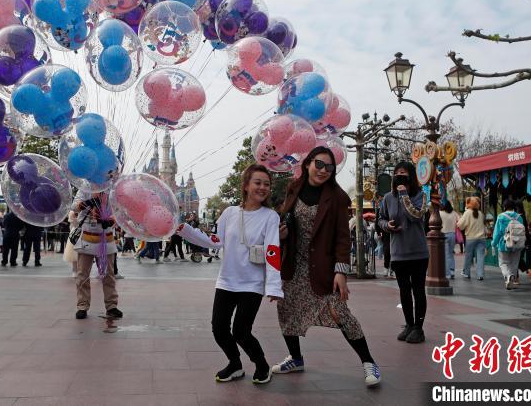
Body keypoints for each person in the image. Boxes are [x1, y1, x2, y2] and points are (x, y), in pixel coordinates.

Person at [272, 146, 380, 387]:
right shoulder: (294, 188)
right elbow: (286, 218)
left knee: (340, 313)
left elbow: (343, 237)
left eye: (328, 167)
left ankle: (368, 362)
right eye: (319, 164)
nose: (323, 170)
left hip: (324, 266)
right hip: (294, 264)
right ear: (308, 163)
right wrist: (283, 232)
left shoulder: (337, 197)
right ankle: (296, 359)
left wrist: (341, 271)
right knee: (286, 309)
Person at [177, 164, 282, 384]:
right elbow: (215, 242)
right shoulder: (230, 213)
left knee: (241, 332)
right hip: (226, 281)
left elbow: (272, 250)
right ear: (245, 186)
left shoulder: (270, 216)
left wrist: (274, 286)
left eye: (266, 184)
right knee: (219, 328)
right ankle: (235, 364)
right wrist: (185, 230)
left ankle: (261, 364)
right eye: (258, 182)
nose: (263, 187)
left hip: (252, 284)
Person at [378, 161, 428, 344]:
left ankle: (418, 328)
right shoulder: (387, 198)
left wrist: (404, 194)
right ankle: (408, 324)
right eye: (397, 173)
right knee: (404, 291)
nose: (400, 175)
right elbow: (381, 220)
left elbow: (415, 215)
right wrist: (387, 226)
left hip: (418, 253)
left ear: (412, 177)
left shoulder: (420, 195)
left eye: (404, 173)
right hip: (398, 253)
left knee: (418, 290)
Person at [71, 191, 122, 320]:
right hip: (87, 235)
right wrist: (87, 203)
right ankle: (82, 306)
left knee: (108, 274)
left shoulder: (112, 190)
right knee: (82, 274)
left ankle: (111, 306)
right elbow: (74, 206)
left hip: (106, 236)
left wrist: (112, 221)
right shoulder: (85, 188)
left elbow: (119, 210)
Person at [492, 199, 525, 290]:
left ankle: (508, 276)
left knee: (503, 263)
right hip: (517, 243)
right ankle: (512, 279)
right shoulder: (519, 217)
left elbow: (497, 232)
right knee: (514, 263)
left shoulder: (501, 217)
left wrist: (494, 243)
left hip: (504, 243)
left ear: (504, 207)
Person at [456, 197, 486, 280]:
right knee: (480, 256)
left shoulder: (467, 213)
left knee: (468, 256)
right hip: (482, 238)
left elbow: (460, 225)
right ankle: (480, 275)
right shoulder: (481, 213)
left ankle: (466, 273)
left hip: (471, 238)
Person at [517, 212, 531, 285]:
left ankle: (517, 278)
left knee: (516, 258)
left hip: (518, 241)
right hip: (528, 240)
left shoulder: (516, 218)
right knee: (530, 259)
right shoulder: (524, 221)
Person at [440, 201, 459, 279]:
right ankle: (452, 271)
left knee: (446, 254)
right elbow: (459, 221)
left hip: (443, 234)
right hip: (452, 234)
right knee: (450, 254)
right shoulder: (454, 213)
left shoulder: (440, 213)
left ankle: (447, 273)